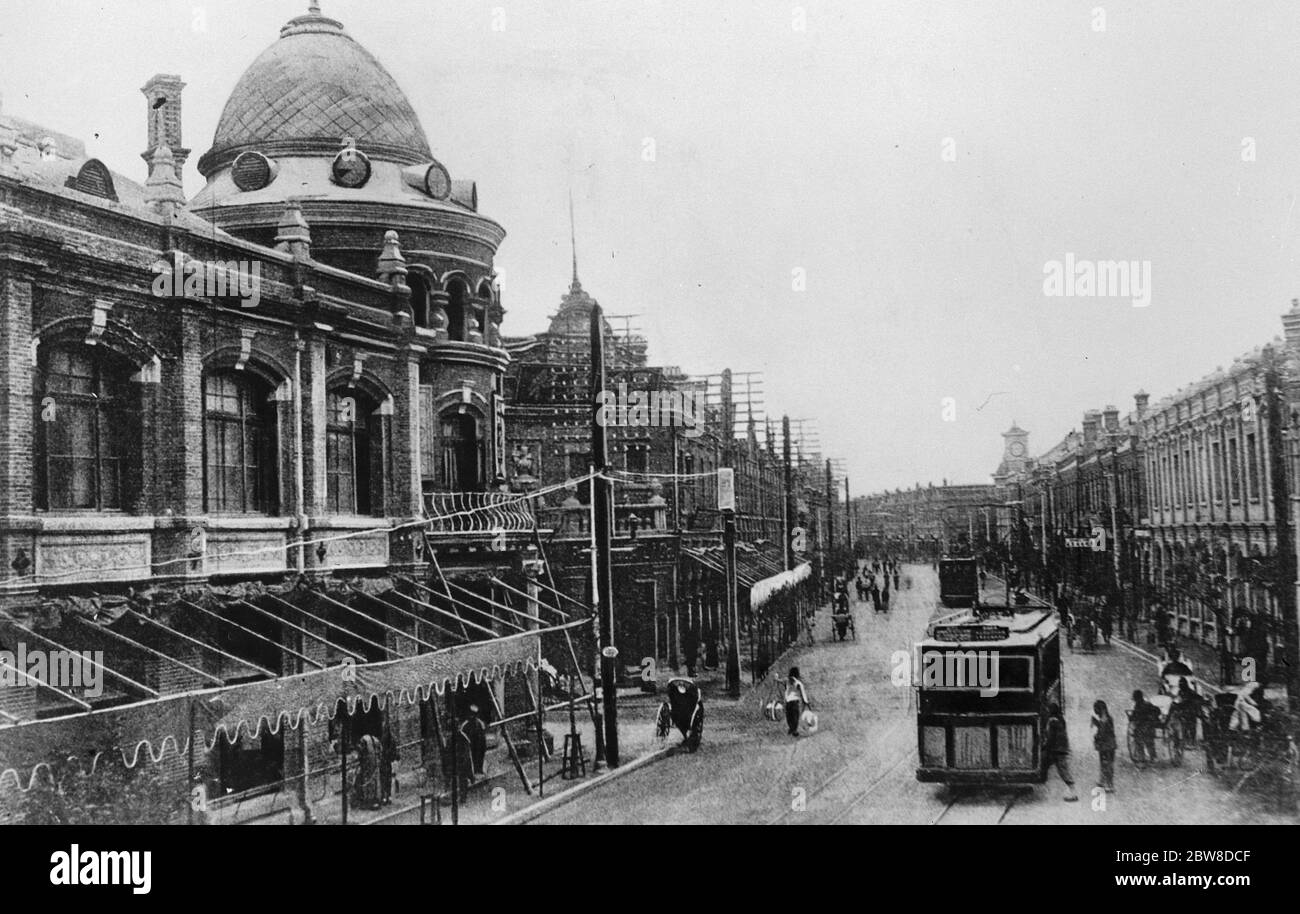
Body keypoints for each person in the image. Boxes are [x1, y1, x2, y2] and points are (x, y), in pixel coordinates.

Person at [1043, 703, 1078, 801]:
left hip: (1057, 750)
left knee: (1063, 771)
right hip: (1060, 749)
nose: (1046, 711)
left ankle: (1073, 793)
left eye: (1048, 709)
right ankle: (1072, 791)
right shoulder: (1060, 720)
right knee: (1061, 769)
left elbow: (1051, 737)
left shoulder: (1052, 721)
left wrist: (1045, 746)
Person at [1090, 700, 1116, 792]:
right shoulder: (1107, 717)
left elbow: (1102, 731)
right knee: (1107, 763)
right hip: (1109, 744)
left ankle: (1109, 784)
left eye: (1096, 709)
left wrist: (1096, 736)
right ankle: (1105, 781)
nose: (1095, 711)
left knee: (1106, 764)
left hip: (1106, 744)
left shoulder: (1104, 718)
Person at [1130, 690, 1160, 764]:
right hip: (1145, 727)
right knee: (1146, 742)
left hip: (1147, 727)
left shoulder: (1144, 705)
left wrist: (1150, 717)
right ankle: (1147, 757)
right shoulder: (1142, 705)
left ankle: (1146, 757)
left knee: (1145, 741)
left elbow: (1157, 711)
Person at [354, 732, 382, 810]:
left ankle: (368, 801)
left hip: (367, 765)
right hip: (375, 764)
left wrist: (359, 760)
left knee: (367, 782)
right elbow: (380, 750)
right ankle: (376, 800)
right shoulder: (375, 739)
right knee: (375, 781)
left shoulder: (363, 740)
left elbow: (360, 753)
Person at [784, 667, 811, 737]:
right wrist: (806, 701)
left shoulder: (788, 682)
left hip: (788, 702)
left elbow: (786, 691)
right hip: (795, 702)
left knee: (789, 716)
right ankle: (794, 730)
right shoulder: (798, 683)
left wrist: (786, 699)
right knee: (795, 716)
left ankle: (791, 728)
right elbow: (802, 692)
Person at [379, 722, 399, 806]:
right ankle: (387, 796)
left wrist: (385, 756)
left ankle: (387, 796)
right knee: (386, 779)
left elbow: (391, 751)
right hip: (387, 762)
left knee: (386, 779)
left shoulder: (389, 739)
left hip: (387, 762)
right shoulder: (386, 739)